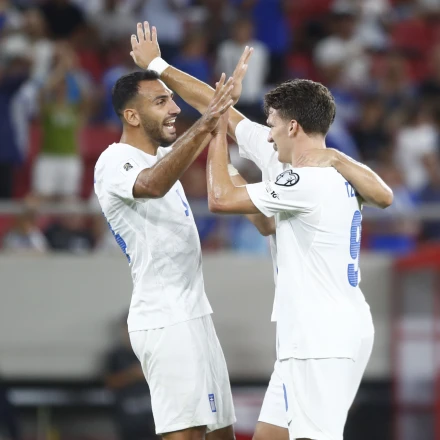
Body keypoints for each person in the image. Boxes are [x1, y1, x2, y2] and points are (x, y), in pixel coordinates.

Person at [129, 22, 394, 440]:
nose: (265, 134)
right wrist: (160, 66)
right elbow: (222, 110)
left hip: (321, 334)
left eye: (271, 124)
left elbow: (220, 198)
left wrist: (215, 131)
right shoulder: (315, 166)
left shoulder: (306, 179)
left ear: (292, 128)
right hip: (319, 329)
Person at [94, 22, 265, 440]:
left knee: (221, 434)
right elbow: (152, 184)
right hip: (163, 317)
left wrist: (168, 71)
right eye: (160, 101)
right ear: (131, 115)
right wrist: (207, 122)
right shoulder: (113, 160)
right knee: (185, 435)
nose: (173, 108)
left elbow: (210, 120)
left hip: (194, 314)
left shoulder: (166, 155)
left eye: (171, 99)